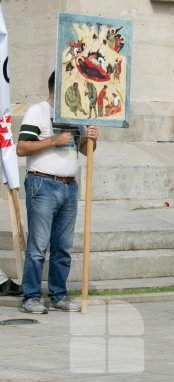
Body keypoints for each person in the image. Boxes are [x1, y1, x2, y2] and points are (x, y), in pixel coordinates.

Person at [17, 71, 99, 314]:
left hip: (68, 186)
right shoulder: (38, 111)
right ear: (59, 87)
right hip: (43, 184)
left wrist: (92, 138)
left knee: (63, 246)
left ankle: (58, 295)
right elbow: (22, 147)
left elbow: (85, 151)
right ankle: (30, 296)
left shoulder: (77, 115)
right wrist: (53, 140)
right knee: (38, 245)